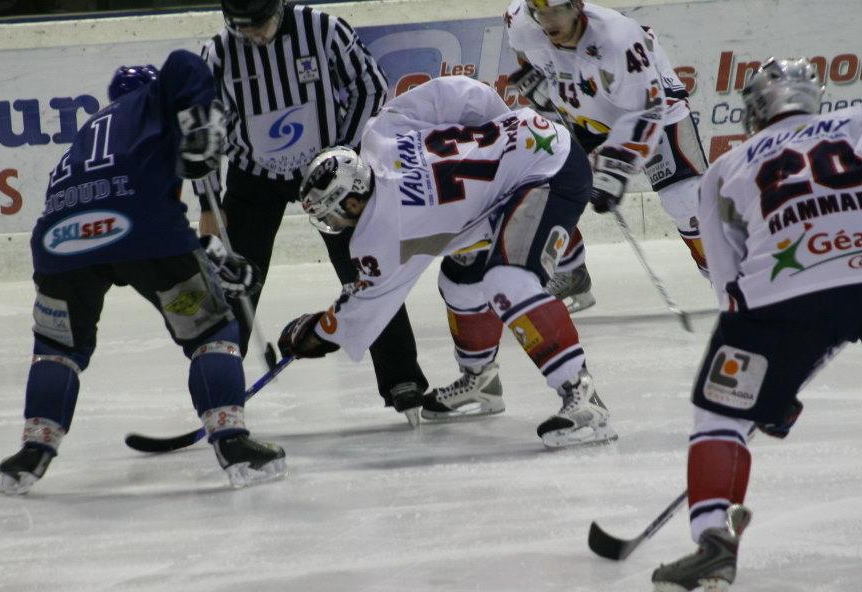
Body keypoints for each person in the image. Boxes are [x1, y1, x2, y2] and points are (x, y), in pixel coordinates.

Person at [0, 50, 286, 495]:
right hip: (144, 230)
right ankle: (232, 441)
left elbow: (113, 208)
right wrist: (201, 119)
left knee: (57, 348)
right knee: (210, 331)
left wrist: (207, 255)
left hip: (60, 240)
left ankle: (32, 451)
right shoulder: (156, 101)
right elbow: (185, 64)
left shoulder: (91, 132)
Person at [278, 75, 619, 449]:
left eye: (331, 213)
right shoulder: (380, 133)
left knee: (508, 281)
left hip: (550, 172)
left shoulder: (382, 234)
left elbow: (367, 304)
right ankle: (481, 382)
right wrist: (501, 132)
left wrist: (318, 333)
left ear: (353, 201)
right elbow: (456, 93)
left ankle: (583, 395)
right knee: (460, 281)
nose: (333, 223)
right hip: (529, 147)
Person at [419, 0, 711, 421]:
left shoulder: (620, 39)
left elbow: (646, 110)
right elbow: (527, 55)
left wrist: (616, 165)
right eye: (541, 13)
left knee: (687, 201)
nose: (549, 22)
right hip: (585, 115)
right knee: (537, 186)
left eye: (557, 11)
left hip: (653, 109)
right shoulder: (521, 20)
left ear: (577, 6)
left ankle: (733, 288)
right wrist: (541, 81)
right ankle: (570, 274)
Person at [650, 58, 862, 592]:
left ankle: (712, 546)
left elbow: (729, 282)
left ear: (755, 110)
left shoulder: (726, 166)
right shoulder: (857, 124)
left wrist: (765, 388)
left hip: (780, 299)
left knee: (720, 416)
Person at [199, 0, 429, 423]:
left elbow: (370, 86)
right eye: (244, 28)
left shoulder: (322, 29)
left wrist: (343, 151)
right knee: (233, 283)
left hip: (327, 172)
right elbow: (203, 129)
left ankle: (402, 378)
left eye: (263, 23)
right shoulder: (217, 54)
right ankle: (218, 388)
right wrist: (207, 201)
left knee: (366, 267)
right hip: (253, 179)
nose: (256, 35)